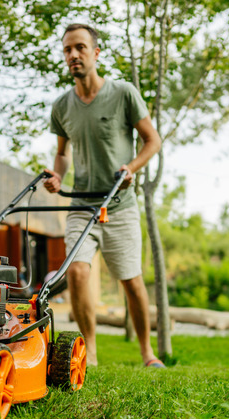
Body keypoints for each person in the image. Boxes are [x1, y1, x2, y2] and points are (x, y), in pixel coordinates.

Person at [43, 23, 164, 368]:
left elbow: (152, 140)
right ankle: (90, 354)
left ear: (96, 53)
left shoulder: (123, 92)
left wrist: (131, 168)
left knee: (131, 281)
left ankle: (147, 353)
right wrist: (57, 176)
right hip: (82, 204)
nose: (73, 55)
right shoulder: (62, 105)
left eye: (80, 47)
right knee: (78, 272)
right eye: (67, 49)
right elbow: (63, 153)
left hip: (120, 206)